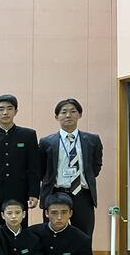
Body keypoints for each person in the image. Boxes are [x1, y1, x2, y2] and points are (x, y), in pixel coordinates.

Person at [38, 98, 103, 240]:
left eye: (73, 111)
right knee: (51, 235)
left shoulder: (92, 140)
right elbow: (41, 169)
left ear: (80, 115)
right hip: (55, 193)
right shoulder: (46, 142)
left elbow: (96, 166)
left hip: (82, 195)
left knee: (84, 235)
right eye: (64, 112)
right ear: (57, 116)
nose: (68, 115)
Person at [0, 94, 40, 229]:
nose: (5, 112)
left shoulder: (28, 135)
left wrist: (34, 193)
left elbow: (33, 167)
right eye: (1, 109)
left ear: (16, 111)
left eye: (9, 108)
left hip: (19, 191)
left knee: (19, 230)